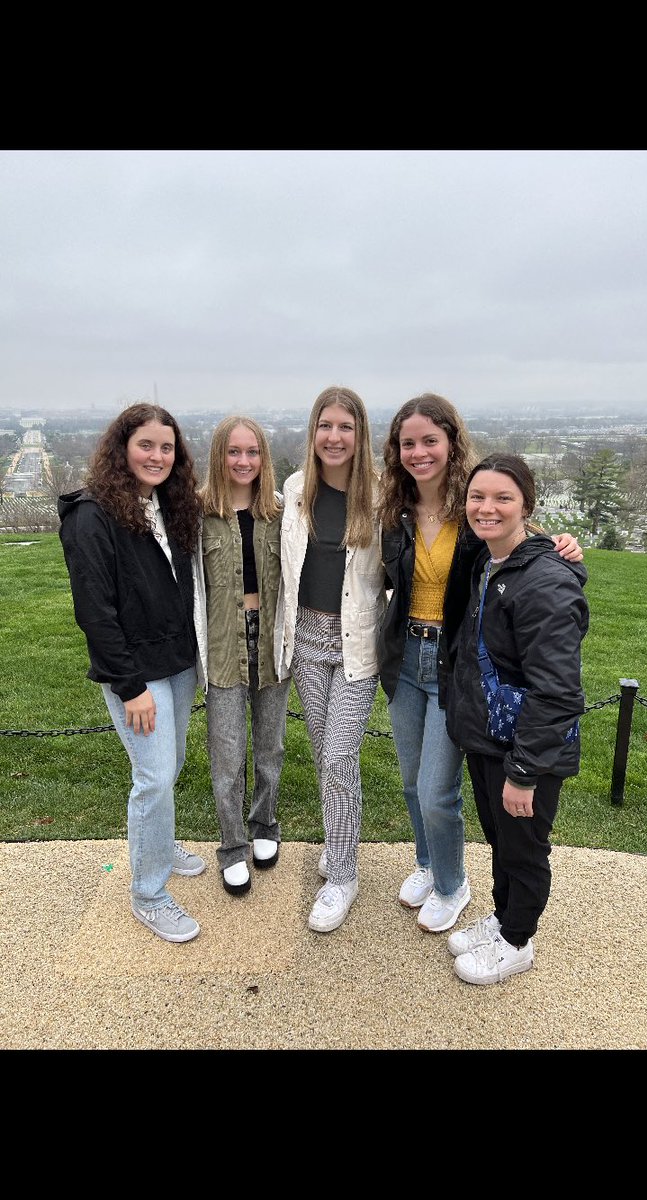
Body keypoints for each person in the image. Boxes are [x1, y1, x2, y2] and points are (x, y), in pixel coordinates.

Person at [377, 394, 583, 936]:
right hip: (405, 658)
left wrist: (560, 546)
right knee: (410, 782)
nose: (419, 452)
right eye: (408, 443)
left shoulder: (473, 507)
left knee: (435, 790)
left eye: (430, 440)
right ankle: (429, 862)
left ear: (451, 442)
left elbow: (516, 547)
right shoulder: (394, 511)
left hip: (455, 662)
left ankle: (452, 884)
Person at [58, 403, 208, 944]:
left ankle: (160, 847)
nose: (157, 456)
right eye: (146, 445)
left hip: (176, 662)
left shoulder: (168, 504)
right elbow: (94, 611)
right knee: (153, 778)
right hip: (135, 675)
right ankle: (148, 893)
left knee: (171, 765)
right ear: (122, 448)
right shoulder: (92, 515)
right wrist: (130, 687)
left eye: (167, 447)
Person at [445, 454, 588, 985]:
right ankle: (503, 918)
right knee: (502, 841)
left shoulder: (544, 582)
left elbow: (557, 691)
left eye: (503, 498)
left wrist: (525, 772)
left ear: (526, 505)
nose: (487, 508)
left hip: (526, 748)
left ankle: (517, 941)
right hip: (491, 736)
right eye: (478, 497)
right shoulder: (492, 561)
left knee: (524, 850)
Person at [275, 386, 387, 933]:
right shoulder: (297, 488)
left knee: (340, 758)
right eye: (326, 425)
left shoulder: (382, 494)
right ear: (313, 431)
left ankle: (343, 875)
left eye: (346, 426)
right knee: (325, 758)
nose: (335, 437)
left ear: (360, 433)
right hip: (306, 640)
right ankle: (339, 843)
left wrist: (542, 539)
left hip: (355, 645)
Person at [199, 415, 291, 897]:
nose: (243, 461)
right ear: (219, 455)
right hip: (223, 647)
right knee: (228, 755)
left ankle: (264, 825)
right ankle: (232, 847)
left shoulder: (280, 512)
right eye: (234, 451)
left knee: (270, 747)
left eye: (252, 451)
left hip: (271, 645)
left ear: (263, 457)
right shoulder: (199, 514)